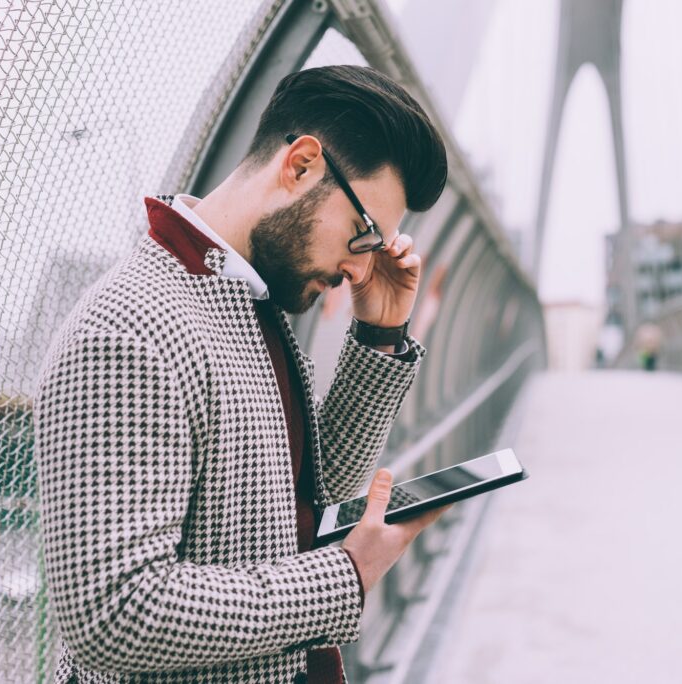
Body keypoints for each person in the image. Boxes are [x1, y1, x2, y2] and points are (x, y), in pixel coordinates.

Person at [33, 65, 449, 683]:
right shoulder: (130, 328)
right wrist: (347, 577)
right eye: (364, 235)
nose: (360, 270)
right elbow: (113, 616)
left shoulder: (245, 305)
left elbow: (313, 495)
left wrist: (380, 333)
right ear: (301, 165)